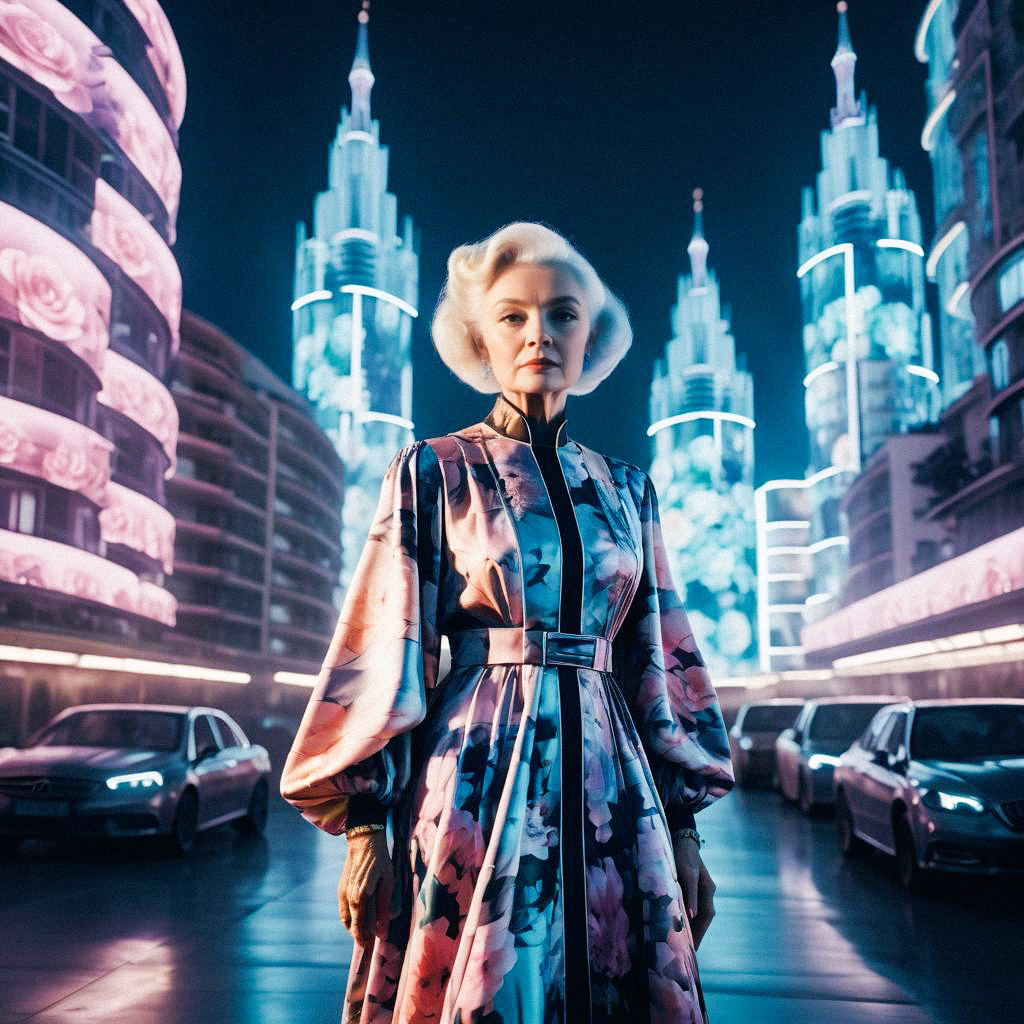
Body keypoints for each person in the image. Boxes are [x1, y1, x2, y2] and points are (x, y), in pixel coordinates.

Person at [280, 222, 736, 1024]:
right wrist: (363, 826)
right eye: (514, 316)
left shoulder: (628, 490)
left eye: (562, 314)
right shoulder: (433, 469)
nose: (539, 335)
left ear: (590, 335)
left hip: (614, 787)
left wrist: (687, 835)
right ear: (479, 336)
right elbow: (381, 648)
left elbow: (661, 663)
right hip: (471, 780)